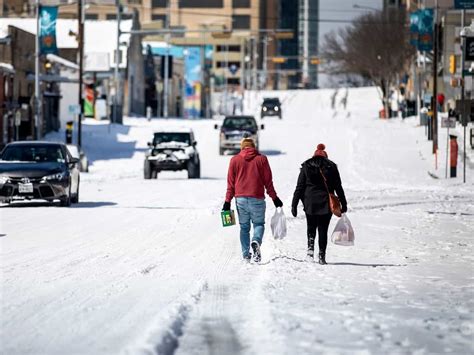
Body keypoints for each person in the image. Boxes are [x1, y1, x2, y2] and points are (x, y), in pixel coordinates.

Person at [223, 137, 283, 262]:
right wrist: (275, 198)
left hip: (240, 200)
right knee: (259, 224)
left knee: (244, 227)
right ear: (253, 147)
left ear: (242, 147)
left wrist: (227, 201)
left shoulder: (234, 160)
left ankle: (246, 255)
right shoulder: (262, 159)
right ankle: (256, 241)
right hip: (257, 198)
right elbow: (268, 182)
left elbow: (231, 184)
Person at [291, 144, 347, 265]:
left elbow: (300, 187)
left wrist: (294, 204)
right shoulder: (331, 167)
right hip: (326, 203)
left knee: (311, 227)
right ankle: (322, 255)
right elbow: (338, 187)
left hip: (310, 202)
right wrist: (343, 203)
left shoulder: (306, 166)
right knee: (323, 229)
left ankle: (310, 252)